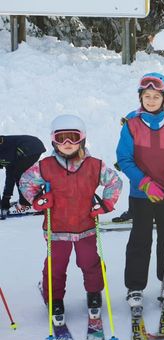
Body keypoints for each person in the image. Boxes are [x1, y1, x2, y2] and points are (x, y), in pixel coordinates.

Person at [19, 115, 122, 324]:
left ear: (82, 139)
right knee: (56, 266)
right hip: (56, 229)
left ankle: (94, 294)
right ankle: (54, 298)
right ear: (53, 141)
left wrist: (105, 204)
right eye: (61, 138)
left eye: (72, 138)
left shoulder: (94, 165)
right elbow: (26, 181)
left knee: (90, 263)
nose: (67, 144)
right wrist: (38, 199)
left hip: (85, 227)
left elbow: (114, 181)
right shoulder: (45, 166)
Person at [116, 72, 164, 310]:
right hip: (141, 194)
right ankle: (135, 286)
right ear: (141, 98)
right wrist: (145, 183)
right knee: (140, 239)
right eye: (146, 96)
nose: (151, 100)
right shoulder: (132, 125)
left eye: (155, 96)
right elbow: (124, 159)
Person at [0, 135, 46, 219]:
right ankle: (34, 200)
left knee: (20, 175)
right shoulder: (4, 154)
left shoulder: (4, 153)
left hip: (32, 146)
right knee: (18, 172)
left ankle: (27, 203)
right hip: (29, 146)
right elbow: (10, 172)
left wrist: (5, 199)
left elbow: (11, 175)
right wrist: (5, 198)